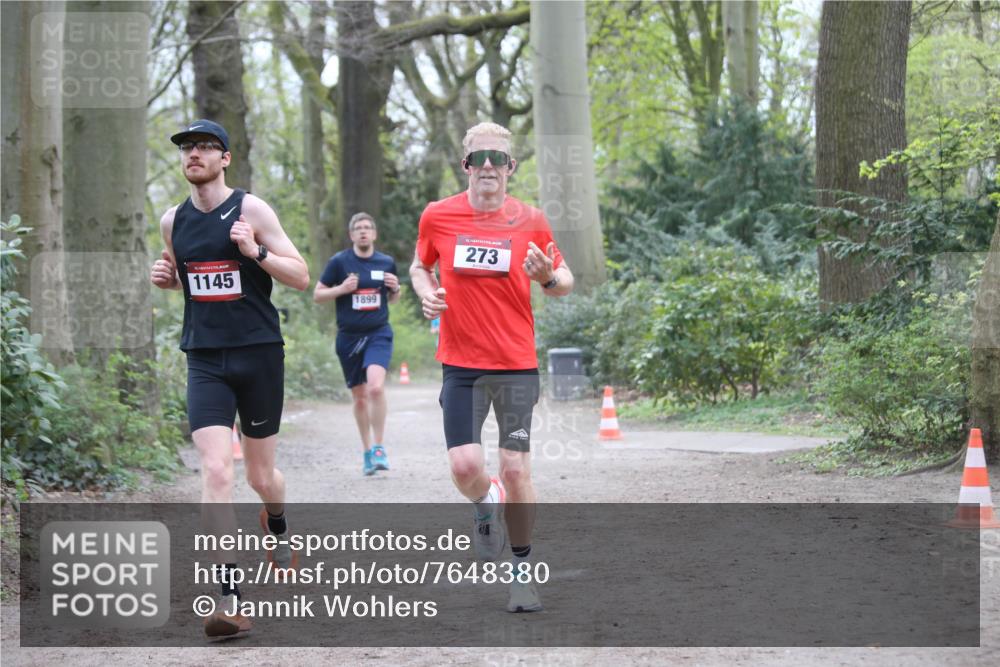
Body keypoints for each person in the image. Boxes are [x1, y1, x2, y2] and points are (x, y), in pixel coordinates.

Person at [149, 119, 310, 639]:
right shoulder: (172, 220)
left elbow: (301, 275)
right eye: (187, 148)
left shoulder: (252, 210)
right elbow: (189, 281)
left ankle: (277, 519)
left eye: (204, 147)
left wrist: (255, 252)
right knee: (217, 472)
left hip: (259, 353)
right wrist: (170, 279)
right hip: (204, 358)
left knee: (262, 477)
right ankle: (229, 596)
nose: (193, 154)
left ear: (225, 158)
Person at [409, 122, 574, 613]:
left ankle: (521, 573)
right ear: (465, 166)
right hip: (460, 364)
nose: (487, 166)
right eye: (478, 158)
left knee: (515, 467)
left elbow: (563, 277)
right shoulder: (438, 216)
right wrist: (426, 294)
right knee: (465, 467)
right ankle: (485, 501)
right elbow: (420, 265)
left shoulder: (531, 220)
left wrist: (548, 279)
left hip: (516, 364)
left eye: (497, 159)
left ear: (510, 167)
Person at [313, 212, 401, 475]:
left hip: (378, 333)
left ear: (374, 234)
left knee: (375, 388)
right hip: (348, 337)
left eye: (367, 228)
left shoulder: (386, 262)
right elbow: (318, 295)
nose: (363, 232)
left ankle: (379, 447)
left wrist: (395, 289)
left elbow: (393, 299)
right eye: (358, 228)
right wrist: (341, 289)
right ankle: (366, 452)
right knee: (360, 397)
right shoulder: (339, 262)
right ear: (352, 235)